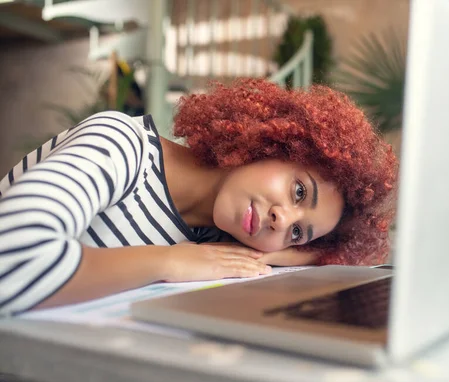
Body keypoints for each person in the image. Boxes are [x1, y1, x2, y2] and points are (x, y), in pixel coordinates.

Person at [0, 78, 398, 317]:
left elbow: (312, 257)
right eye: (298, 191)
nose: (282, 219)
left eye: (297, 231)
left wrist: (303, 251)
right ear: (273, 143)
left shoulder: (213, 239)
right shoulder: (121, 145)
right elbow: (11, 262)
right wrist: (168, 260)